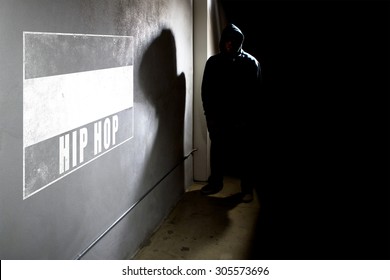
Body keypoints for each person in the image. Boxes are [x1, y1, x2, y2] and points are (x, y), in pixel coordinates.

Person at [200, 23, 261, 202]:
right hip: (219, 118)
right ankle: (215, 183)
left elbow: (257, 94)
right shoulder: (213, 62)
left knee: (246, 154)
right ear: (222, 41)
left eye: (233, 41)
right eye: (226, 41)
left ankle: (247, 189)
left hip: (243, 119)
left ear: (239, 42)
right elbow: (206, 91)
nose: (229, 45)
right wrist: (209, 116)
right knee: (217, 151)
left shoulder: (251, 63)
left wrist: (251, 119)